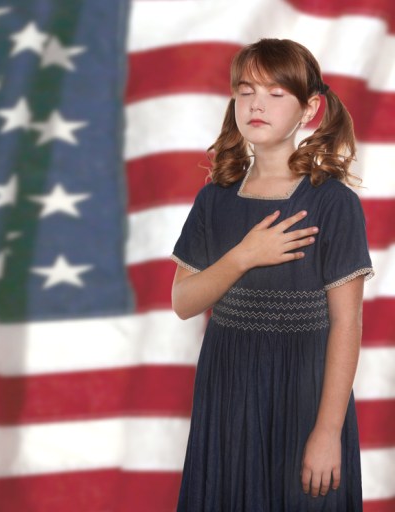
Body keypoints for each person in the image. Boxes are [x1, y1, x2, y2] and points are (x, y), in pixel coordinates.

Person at [170, 38, 374, 511]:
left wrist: (328, 432)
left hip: (305, 394)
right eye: (246, 92)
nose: (256, 105)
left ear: (310, 109)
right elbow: (183, 302)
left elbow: (346, 323)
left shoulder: (333, 202)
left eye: (276, 93)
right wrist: (243, 256)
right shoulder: (214, 199)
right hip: (228, 394)